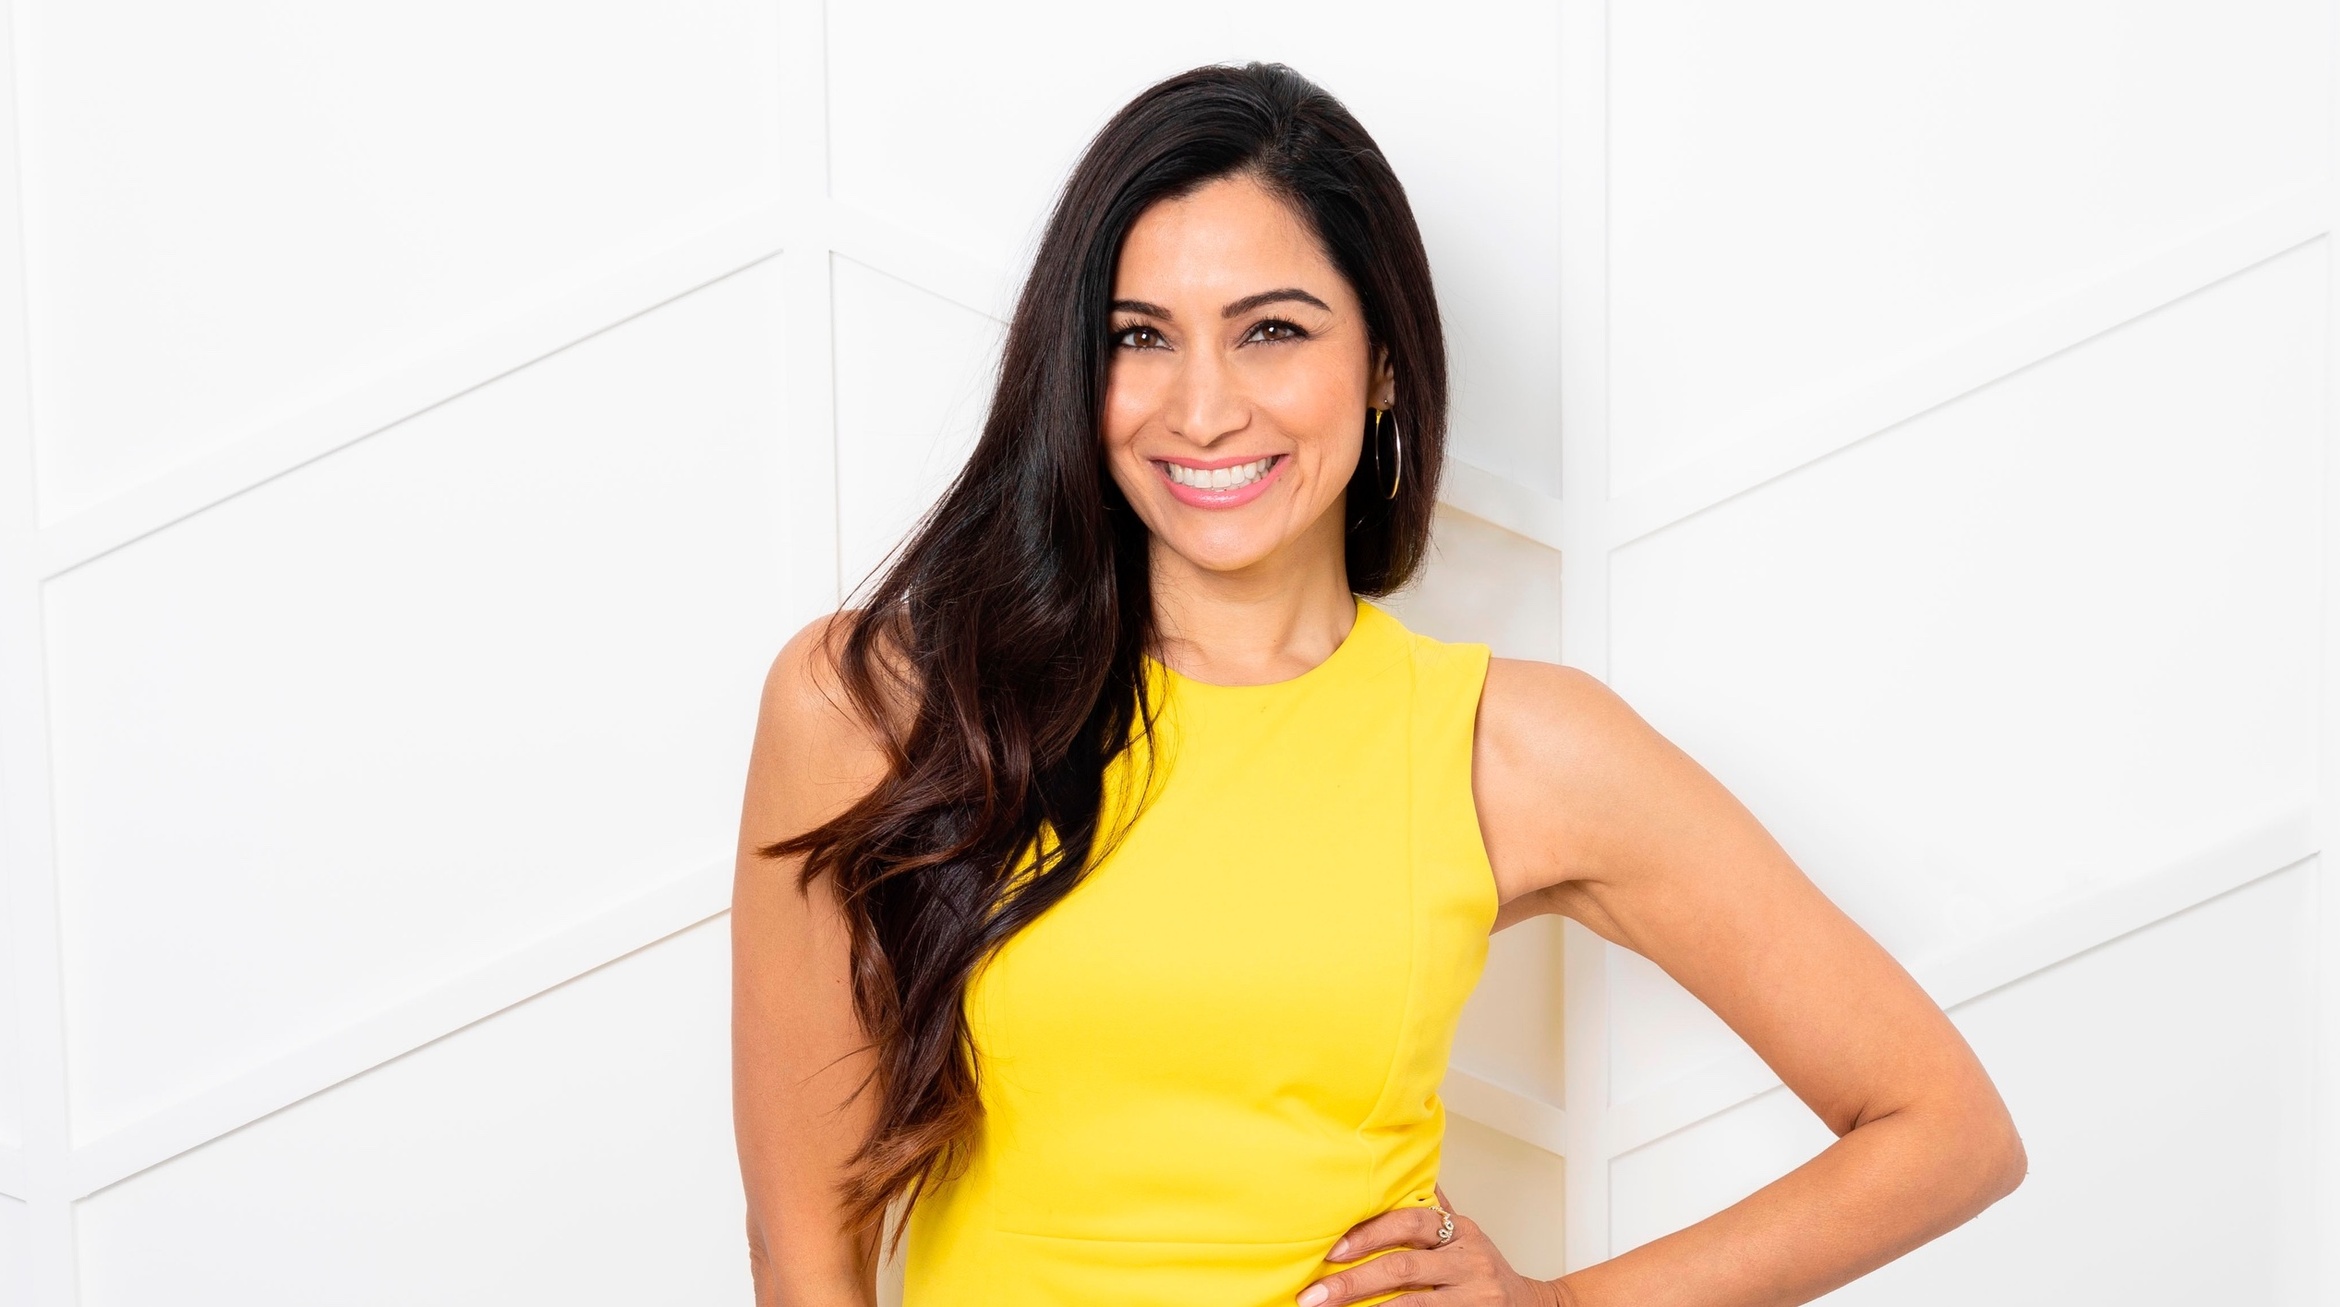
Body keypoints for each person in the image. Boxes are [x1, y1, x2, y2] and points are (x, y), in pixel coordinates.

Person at [730, 61, 2023, 1307]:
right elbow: (804, 1262)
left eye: (1272, 332)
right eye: (1140, 337)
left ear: (1385, 363)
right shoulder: (876, 709)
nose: (1203, 409)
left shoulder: (1508, 747)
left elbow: (1945, 1128)